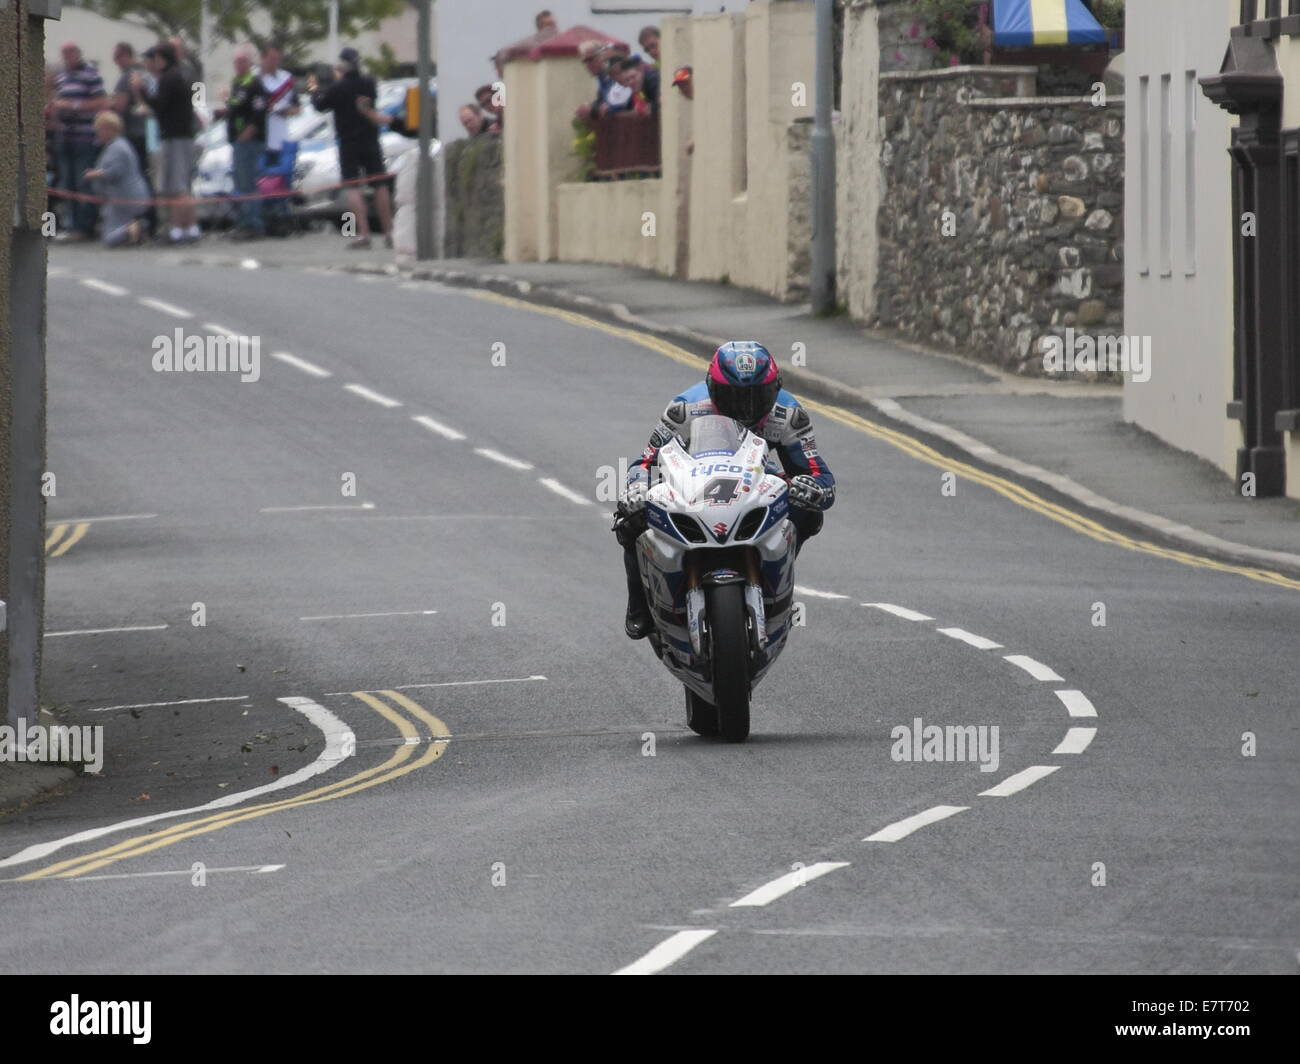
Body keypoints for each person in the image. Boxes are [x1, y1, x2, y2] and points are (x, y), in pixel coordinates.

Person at [613, 342, 836, 640]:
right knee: (630, 519)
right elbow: (645, 462)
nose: (746, 409)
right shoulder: (685, 409)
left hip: (756, 486)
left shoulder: (789, 414)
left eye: (759, 397)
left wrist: (813, 490)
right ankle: (639, 605)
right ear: (711, 387)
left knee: (809, 513)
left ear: (776, 389)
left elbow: (819, 475)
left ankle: (776, 578)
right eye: (733, 397)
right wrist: (637, 488)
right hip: (693, 486)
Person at [308, 47, 394, 250]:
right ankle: (390, 232)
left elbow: (321, 106)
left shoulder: (339, 87)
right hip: (371, 139)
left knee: (353, 186)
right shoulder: (369, 83)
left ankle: (363, 235)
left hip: (348, 142)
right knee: (379, 184)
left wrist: (313, 89)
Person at [138, 43, 199, 243]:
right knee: (182, 186)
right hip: (183, 136)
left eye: (156, 58)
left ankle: (177, 229)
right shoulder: (181, 76)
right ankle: (188, 228)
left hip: (174, 137)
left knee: (177, 186)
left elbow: (158, 105)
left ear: (162, 58)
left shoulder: (169, 78)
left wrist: (141, 90)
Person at [52, 42, 107, 241]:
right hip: (64, 136)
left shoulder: (91, 75)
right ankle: (72, 225)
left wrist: (73, 105)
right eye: (63, 54)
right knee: (68, 183)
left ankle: (86, 226)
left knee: (83, 182)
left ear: (78, 54)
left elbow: (101, 102)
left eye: (69, 53)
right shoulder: (62, 77)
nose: (66, 57)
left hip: (84, 137)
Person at [215, 47, 268, 240]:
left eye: (242, 61)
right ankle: (244, 221)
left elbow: (258, 112)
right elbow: (236, 107)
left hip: (249, 140)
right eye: (236, 62)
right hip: (237, 139)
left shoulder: (255, 84)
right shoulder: (237, 83)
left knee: (248, 183)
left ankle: (253, 224)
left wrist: (249, 132)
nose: (238, 65)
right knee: (240, 181)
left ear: (249, 63)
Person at [109, 42, 157, 237]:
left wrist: (108, 105)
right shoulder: (147, 74)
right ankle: (151, 220)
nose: (116, 62)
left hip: (133, 134)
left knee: (135, 178)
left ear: (126, 56)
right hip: (149, 133)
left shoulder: (127, 76)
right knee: (149, 176)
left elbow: (119, 106)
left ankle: (140, 219)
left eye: (117, 57)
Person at [83, 111, 149, 247]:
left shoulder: (117, 148)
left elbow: (114, 172)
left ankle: (133, 228)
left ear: (109, 129)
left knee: (109, 239)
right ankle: (133, 233)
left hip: (124, 198)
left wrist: (94, 174)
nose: (98, 134)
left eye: (100, 130)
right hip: (121, 198)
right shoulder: (118, 145)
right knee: (111, 232)